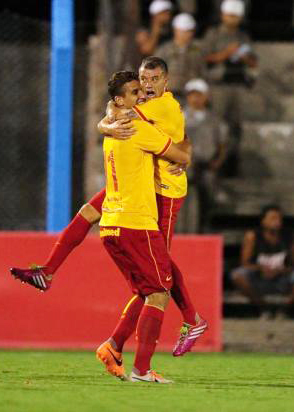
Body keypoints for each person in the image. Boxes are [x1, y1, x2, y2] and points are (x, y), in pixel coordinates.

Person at [10, 57, 207, 357]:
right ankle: (48, 272)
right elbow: (180, 138)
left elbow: (115, 112)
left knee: (157, 274)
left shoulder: (159, 106)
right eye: (144, 79)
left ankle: (190, 320)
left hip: (163, 192)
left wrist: (105, 125)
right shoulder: (160, 107)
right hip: (140, 185)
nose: (148, 85)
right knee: (89, 212)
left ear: (167, 82)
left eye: (155, 79)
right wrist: (109, 125)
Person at [96, 70, 193, 383]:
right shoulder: (137, 128)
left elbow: (109, 118)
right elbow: (179, 155)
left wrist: (104, 121)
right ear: (119, 99)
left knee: (144, 290)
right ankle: (142, 370)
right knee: (159, 293)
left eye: (142, 90)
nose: (141, 95)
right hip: (136, 223)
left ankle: (114, 346)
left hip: (110, 225)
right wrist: (186, 150)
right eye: (135, 91)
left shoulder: (112, 129)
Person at [202, 0, 258, 176]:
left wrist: (243, 57)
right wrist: (226, 53)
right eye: (229, 15)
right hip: (219, 86)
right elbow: (204, 57)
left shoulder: (243, 36)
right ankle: (214, 164)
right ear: (222, 15)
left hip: (238, 85)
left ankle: (231, 165)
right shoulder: (214, 34)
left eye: (235, 16)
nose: (231, 19)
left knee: (236, 127)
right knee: (217, 125)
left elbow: (253, 61)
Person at [183, 78, 228, 232]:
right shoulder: (177, 117)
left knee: (208, 197)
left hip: (206, 166)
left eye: (199, 95)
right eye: (192, 94)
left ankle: (205, 228)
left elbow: (222, 145)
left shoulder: (214, 120)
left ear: (206, 97)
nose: (195, 98)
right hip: (182, 166)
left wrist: (218, 162)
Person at [231, 205, 294, 309]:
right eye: (272, 218)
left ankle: (286, 308)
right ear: (263, 221)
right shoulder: (253, 236)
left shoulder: (289, 237)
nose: (277, 221)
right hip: (259, 278)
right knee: (237, 275)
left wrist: (279, 271)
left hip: (282, 279)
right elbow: (244, 263)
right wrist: (261, 269)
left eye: (279, 219)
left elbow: (292, 264)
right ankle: (262, 306)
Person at [155, 13, 205, 100]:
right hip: (168, 94)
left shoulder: (197, 51)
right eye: (183, 31)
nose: (187, 34)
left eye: (189, 31)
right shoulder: (164, 50)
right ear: (175, 30)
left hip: (190, 96)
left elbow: (202, 71)